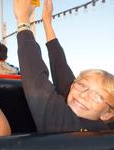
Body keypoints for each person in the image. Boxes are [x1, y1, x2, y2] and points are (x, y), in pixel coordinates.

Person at [13, 0, 114, 133]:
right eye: (82, 85)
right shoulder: (79, 104)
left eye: (98, 96)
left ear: (107, 114)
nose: (84, 95)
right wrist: (47, 23)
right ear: (73, 85)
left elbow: (37, 82)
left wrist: (23, 20)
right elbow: (60, 67)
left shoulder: (71, 127)